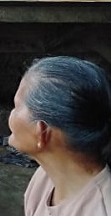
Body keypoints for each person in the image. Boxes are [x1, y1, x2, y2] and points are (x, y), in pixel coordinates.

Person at [8, 56, 111, 216]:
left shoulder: (101, 210)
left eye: (16, 106)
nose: (11, 114)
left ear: (41, 132)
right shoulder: (45, 177)